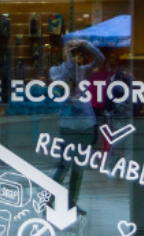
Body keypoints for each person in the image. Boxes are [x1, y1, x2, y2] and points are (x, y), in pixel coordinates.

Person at [49, 38, 104, 213]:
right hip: (69, 125)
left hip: (87, 124)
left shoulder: (84, 71)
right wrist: (67, 56)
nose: (74, 55)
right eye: (71, 52)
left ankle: (71, 202)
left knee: (78, 168)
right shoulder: (56, 71)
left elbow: (100, 60)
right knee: (64, 165)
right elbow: (63, 79)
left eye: (76, 52)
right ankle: (49, 200)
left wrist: (86, 45)